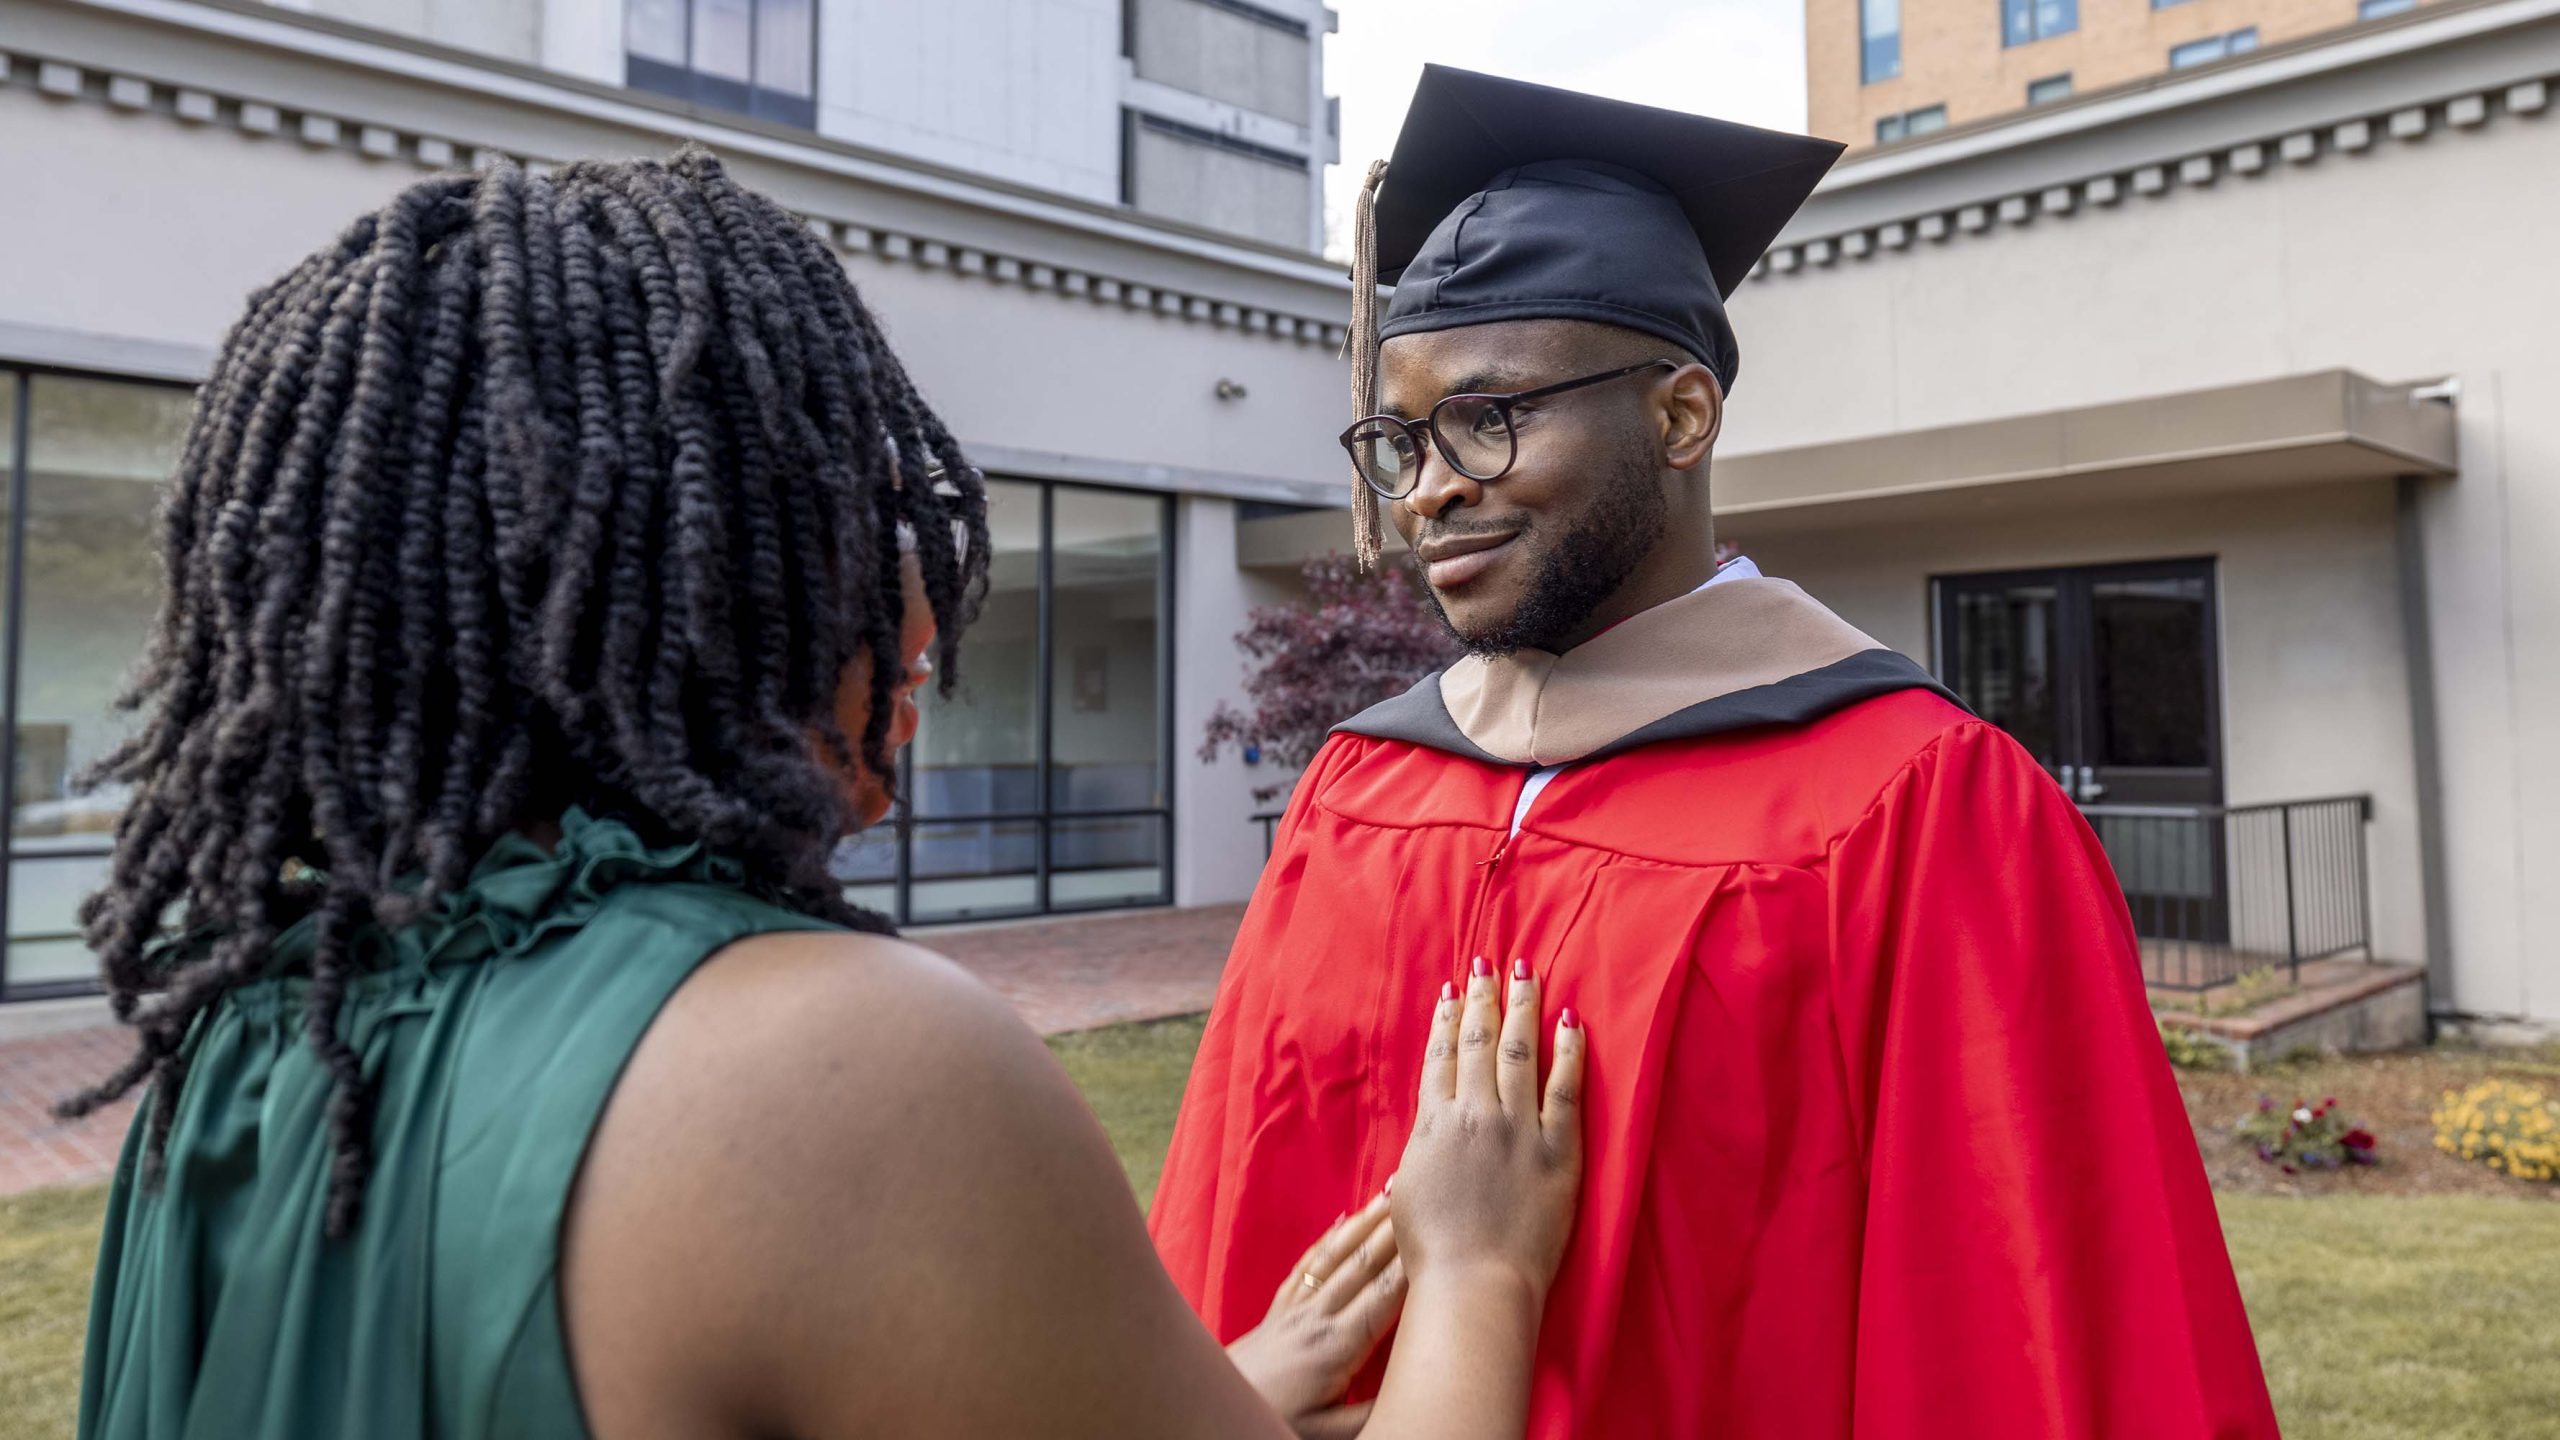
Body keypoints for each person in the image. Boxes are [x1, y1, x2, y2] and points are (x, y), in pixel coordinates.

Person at [62, 149, 1593, 1440]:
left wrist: (1217, 1391)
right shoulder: (842, 1067)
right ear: (688, 569)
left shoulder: (234, 1062)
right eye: (845, 501)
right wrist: (1476, 1265)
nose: (925, 598)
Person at [1149, 67, 2280, 1438]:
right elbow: (1226, 1244)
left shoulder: (1923, 808)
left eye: (1488, 418)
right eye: (1401, 440)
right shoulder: (1359, 794)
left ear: (1682, 417)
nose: (1433, 483)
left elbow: (2030, 1331)